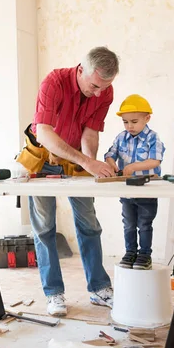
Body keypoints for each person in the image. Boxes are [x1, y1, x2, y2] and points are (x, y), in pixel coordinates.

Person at [16, 46, 120, 316]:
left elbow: (91, 131)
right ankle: (54, 294)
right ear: (81, 69)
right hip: (44, 157)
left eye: (105, 88)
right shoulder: (54, 82)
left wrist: (92, 163)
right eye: (95, 86)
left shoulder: (104, 90)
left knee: (89, 225)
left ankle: (99, 289)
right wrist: (87, 162)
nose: (99, 93)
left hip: (76, 159)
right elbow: (44, 132)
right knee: (44, 228)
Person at [104, 94, 165, 270]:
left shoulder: (153, 138)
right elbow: (110, 154)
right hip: (127, 190)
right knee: (129, 224)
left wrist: (133, 167)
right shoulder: (120, 137)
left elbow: (155, 161)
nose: (129, 126)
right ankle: (130, 252)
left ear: (147, 118)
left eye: (134, 121)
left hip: (148, 190)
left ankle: (145, 255)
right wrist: (111, 163)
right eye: (125, 122)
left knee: (145, 223)